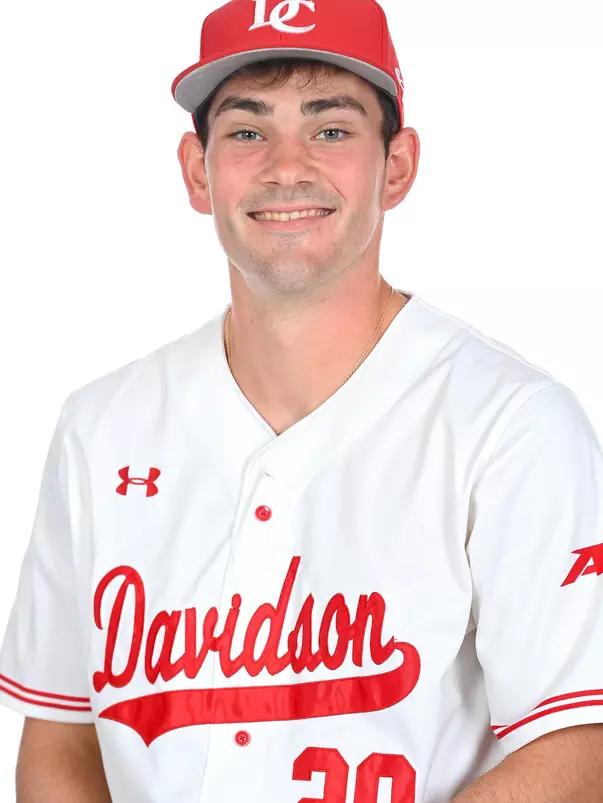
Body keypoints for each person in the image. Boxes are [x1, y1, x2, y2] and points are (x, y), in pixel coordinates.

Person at [1, 0, 603, 800]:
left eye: (331, 128)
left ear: (396, 166)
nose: (287, 165)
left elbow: (578, 742)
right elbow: (62, 733)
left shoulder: (512, 423)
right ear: (196, 169)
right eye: (247, 131)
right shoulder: (101, 425)